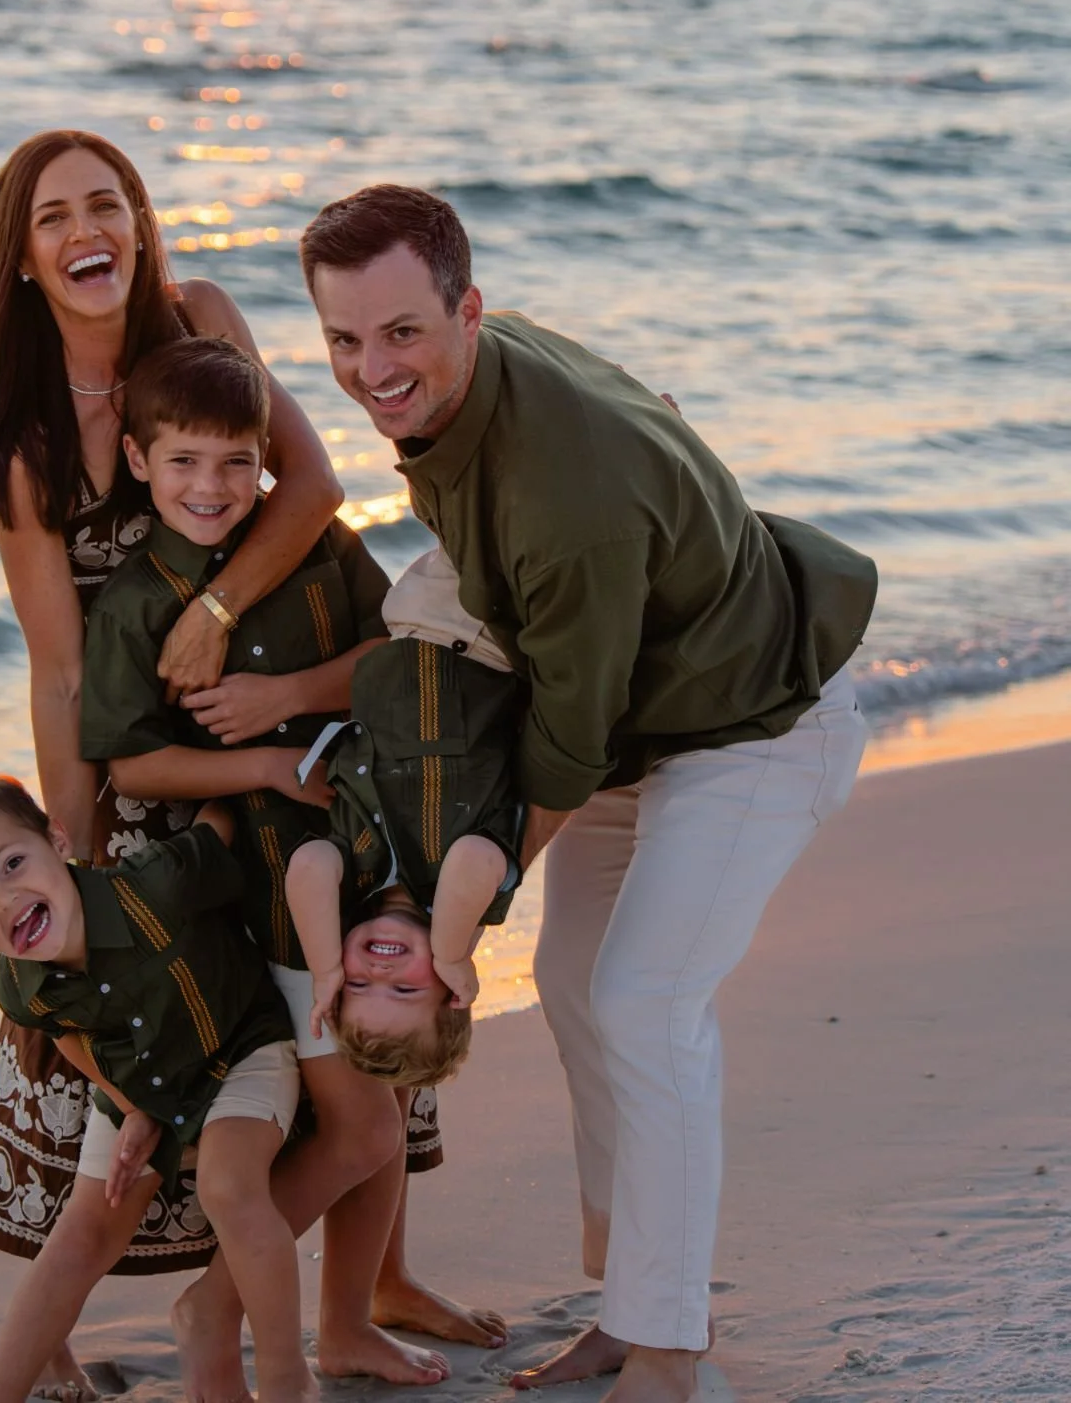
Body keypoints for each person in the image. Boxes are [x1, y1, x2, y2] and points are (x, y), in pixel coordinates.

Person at [299, 184, 877, 1403]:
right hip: (644, 713)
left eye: (401, 332)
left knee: (645, 1001)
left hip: (755, 723)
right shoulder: (470, 384)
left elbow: (565, 743)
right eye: (343, 340)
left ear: (470, 309)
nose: (371, 370)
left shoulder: (564, 502)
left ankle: (674, 1356)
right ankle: (630, 1303)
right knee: (577, 986)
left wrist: (460, 922)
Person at [78, 334, 452, 1386]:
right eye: (187, 462)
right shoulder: (136, 604)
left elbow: (399, 655)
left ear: (264, 462)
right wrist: (269, 766)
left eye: (238, 461)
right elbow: (131, 763)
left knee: (380, 1109)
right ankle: (215, 1306)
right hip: (269, 907)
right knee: (364, 1127)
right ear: (142, 461)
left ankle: (342, 1324)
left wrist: (286, 699)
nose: (214, 486)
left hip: (376, 860)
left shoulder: (316, 544)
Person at [0, 776, 310, 1403]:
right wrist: (131, 1109)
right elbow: (67, 1033)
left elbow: (218, 822)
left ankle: (287, 1382)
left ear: (57, 839)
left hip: (239, 1047)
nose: (7, 900)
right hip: (137, 1080)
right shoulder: (18, 985)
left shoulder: (155, 885)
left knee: (228, 1185)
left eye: (13, 863)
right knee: (84, 1232)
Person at [285, 545, 560, 1088]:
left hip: (413, 617)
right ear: (454, 991)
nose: (378, 974)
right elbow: (472, 856)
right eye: (405, 990)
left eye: (357, 987)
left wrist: (324, 969)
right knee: (517, 514)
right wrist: (452, 951)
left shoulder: (352, 879)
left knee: (470, 505)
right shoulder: (467, 901)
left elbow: (307, 865)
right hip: (485, 643)